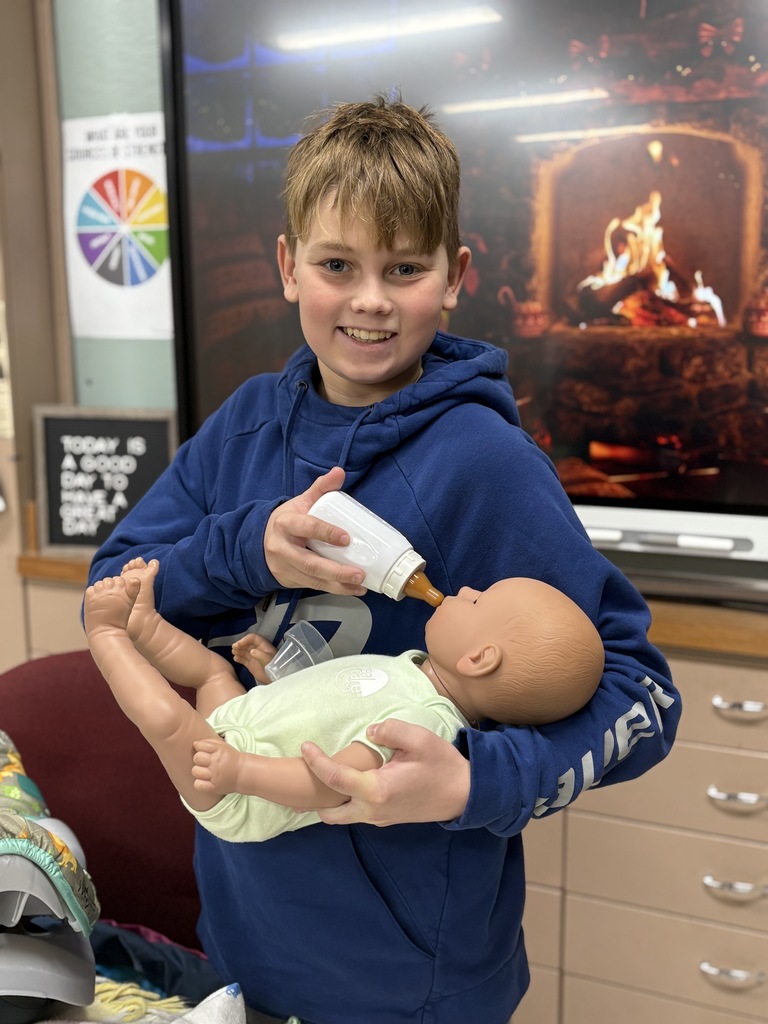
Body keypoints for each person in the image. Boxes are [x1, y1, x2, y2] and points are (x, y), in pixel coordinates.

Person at [87, 95, 680, 1023]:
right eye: (336, 265)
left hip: (415, 982)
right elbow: (112, 592)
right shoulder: (244, 424)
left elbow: (642, 695)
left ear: (454, 278)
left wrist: (474, 781)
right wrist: (249, 551)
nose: (368, 300)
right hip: (249, 934)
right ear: (288, 266)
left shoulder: (486, 467)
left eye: (404, 268)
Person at [84, 558, 605, 844]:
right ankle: (143, 624)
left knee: (169, 721)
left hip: (241, 793)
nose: (466, 589)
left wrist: (239, 771)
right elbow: (337, 707)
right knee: (214, 670)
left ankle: (107, 634)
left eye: (479, 600)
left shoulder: (424, 722)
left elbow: (334, 783)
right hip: (245, 730)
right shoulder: (414, 668)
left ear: (479, 658)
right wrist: (275, 677)